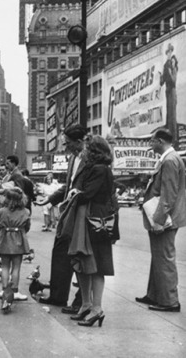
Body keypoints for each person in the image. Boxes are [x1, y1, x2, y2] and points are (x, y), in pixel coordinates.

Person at [61, 135, 118, 327]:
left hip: (94, 220)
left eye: (87, 147)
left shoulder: (100, 169)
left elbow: (88, 194)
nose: (83, 150)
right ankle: (86, 305)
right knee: (82, 263)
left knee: (96, 265)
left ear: (93, 150)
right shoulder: (93, 167)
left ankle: (96, 308)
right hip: (86, 219)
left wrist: (76, 193)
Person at [35, 124, 88, 311]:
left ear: (80, 142)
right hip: (68, 213)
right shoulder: (73, 158)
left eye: (68, 143)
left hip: (82, 214)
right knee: (60, 252)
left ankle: (81, 301)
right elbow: (67, 186)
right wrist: (48, 200)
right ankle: (58, 296)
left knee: (82, 258)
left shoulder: (91, 158)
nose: (66, 148)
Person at [136, 128, 186, 312]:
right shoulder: (168, 159)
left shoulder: (170, 160)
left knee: (164, 258)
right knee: (158, 257)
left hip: (166, 219)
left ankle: (170, 301)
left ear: (159, 141)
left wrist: (159, 220)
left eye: (152, 141)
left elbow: (169, 194)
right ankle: (155, 295)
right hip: (165, 216)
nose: (150, 144)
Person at [0, 187, 31, 301]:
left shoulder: (1, 211)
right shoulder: (26, 212)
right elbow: (27, 227)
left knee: (4, 266)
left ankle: (4, 290)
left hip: (4, 239)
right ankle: (14, 291)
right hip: (19, 239)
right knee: (16, 267)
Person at [158, 44, 178, 144]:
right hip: (168, 92)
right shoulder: (167, 65)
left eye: (170, 52)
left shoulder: (173, 66)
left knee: (172, 116)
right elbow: (162, 82)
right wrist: (161, 77)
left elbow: (173, 80)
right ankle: (170, 138)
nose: (168, 54)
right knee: (169, 116)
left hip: (172, 92)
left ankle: (174, 139)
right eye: (167, 53)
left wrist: (170, 69)